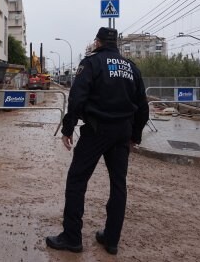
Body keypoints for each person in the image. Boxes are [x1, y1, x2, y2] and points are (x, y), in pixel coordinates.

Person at [46, 27, 149, 256]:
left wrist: (68, 127)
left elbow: (77, 97)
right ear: (117, 44)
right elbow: (143, 106)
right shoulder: (131, 68)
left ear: (98, 42)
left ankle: (72, 238)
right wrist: (135, 136)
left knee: (76, 180)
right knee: (118, 184)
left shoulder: (92, 63)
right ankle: (111, 240)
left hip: (96, 130)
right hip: (122, 133)